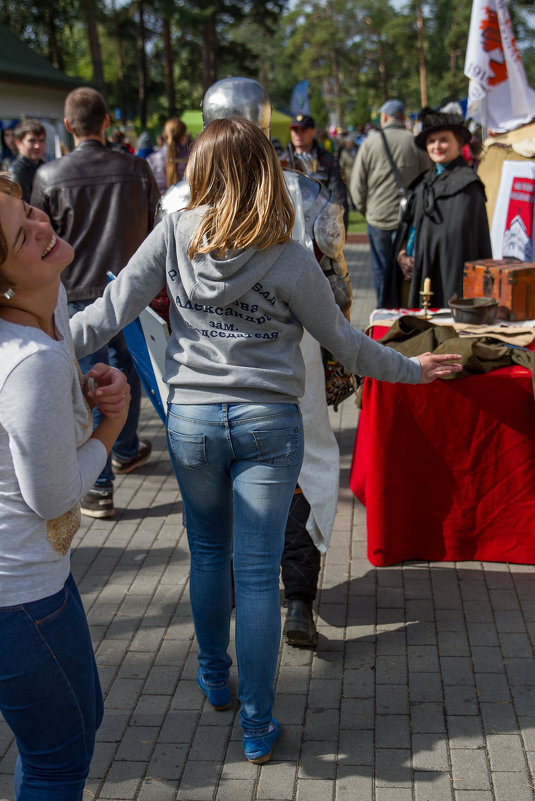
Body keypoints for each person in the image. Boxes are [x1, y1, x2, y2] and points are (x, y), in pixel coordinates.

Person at [70, 116, 462, 764]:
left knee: (207, 556)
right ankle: (256, 722)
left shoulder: (173, 234)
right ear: (265, 173)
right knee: (255, 577)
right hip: (266, 424)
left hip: (193, 419)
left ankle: (212, 675)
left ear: (201, 171)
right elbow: (345, 343)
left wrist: (38, 342)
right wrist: (412, 369)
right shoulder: (287, 252)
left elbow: (105, 315)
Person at [159, 76, 352, 649]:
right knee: (301, 471)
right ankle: (296, 599)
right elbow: (339, 293)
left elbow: (157, 297)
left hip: (203, 371)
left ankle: (241, 598)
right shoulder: (309, 196)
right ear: (267, 124)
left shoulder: (176, 201)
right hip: (289, 367)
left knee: (223, 482)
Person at [0, 173, 130, 799]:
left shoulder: (44, 316)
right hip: (19, 597)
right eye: (21, 236)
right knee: (58, 762)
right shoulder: (28, 360)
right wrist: (111, 427)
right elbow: (52, 498)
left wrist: (77, 400)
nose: (42, 226)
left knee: (74, 733)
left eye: (30, 210)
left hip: (35, 582)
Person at [31, 87, 160, 519]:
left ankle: (104, 479)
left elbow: (38, 242)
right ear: (106, 122)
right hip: (127, 288)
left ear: (68, 126)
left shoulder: (49, 175)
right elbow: (152, 230)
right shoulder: (136, 168)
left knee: (90, 384)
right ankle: (116, 457)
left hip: (76, 292)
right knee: (125, 373)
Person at [387, 107, 492, 309]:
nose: (437, 146)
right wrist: (401, 254)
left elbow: (461, 241)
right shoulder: (422, 184)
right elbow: (409, 226)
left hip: (448, 277)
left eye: (444, 140)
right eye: (431, 141)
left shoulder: (468, 187)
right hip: (414, 275)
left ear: (458, 143)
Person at [350, 100, 431, 306]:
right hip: (408, 220)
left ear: (384, 117)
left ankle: (382, 311)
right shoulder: (415, 142)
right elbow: (428, 180)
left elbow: (357, 183)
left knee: (380, 270)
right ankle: (405, 308)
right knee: (407, 269)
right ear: (403, 117)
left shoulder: (370, 143)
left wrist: (364, 210)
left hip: (377, 217)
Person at [284, 113, 348, 226]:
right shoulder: (281, 162)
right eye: (295, 130)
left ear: (314, 132)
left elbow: (338, 198)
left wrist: (339, 230)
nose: (298, 134)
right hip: (289, 226)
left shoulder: (327, 161)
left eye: (303, 130)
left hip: (319, 226)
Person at [147, 117, 192, 195]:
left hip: (158, 204)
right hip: (184, 204)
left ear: (164, 134)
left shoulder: (151, 159)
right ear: (184, 136)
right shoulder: (191, 159)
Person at [9, 119, 46, 202]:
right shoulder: (17, 172)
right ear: (18, 143)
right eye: (32, 141)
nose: (37, 146)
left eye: (41, 141)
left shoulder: (44, 167)